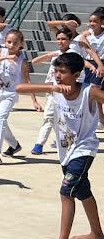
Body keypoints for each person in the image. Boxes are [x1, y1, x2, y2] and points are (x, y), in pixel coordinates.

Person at [16, 52, 104, 239]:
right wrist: (51, 87)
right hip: (65, 151)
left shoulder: (89, 92)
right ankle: (98, 234)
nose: (57, 75)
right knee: (82, 191)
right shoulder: (55, 88)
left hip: (84, 149)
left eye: (63, 72)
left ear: (76, 74)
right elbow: (19, 88)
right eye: (56, 71)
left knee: (66, 192)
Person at [30, 27, 101, 155]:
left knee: (59, 117)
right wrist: (49, 55)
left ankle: (41, 143)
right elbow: (34, 61)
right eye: (58, 39)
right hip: (54, 89)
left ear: (70, 40)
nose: (60, 41)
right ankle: (44, 143)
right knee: (50, 116)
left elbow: (82, 62)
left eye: (63, 39)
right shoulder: (57, 54)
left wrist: (92, 66)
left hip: (68, 91)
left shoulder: (73, 54)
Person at [0, 29, 40, 163]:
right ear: (5, 41)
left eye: (15, 42)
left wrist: (34, 101)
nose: (11, 45)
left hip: (10, 94)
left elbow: (27, 80)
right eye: (9, 42)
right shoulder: (0, 51)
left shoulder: (22, 61)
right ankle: (14, 145)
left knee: (0, 119)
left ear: (21, 44)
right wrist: (5, 57)